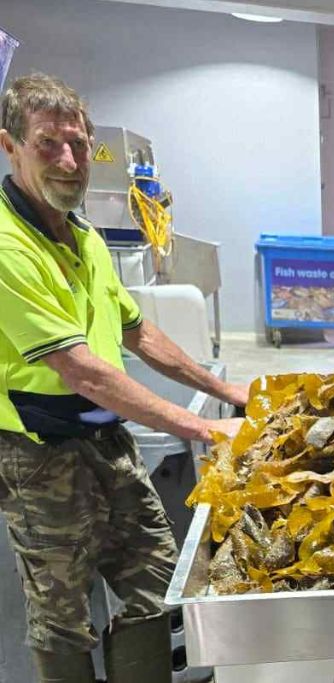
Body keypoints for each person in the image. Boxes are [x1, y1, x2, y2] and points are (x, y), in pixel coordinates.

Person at [0, 73, 246, 683]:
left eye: (79, 145)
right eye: (48, 144)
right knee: (61, 609)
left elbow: (139, 332)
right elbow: (84, 371)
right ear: (10, 146)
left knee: (155, 577)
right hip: (38, 456)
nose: (69, 160)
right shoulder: (7, 245)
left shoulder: (83, 237)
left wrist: (226, 392)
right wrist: (201, 430)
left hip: (108, 441)